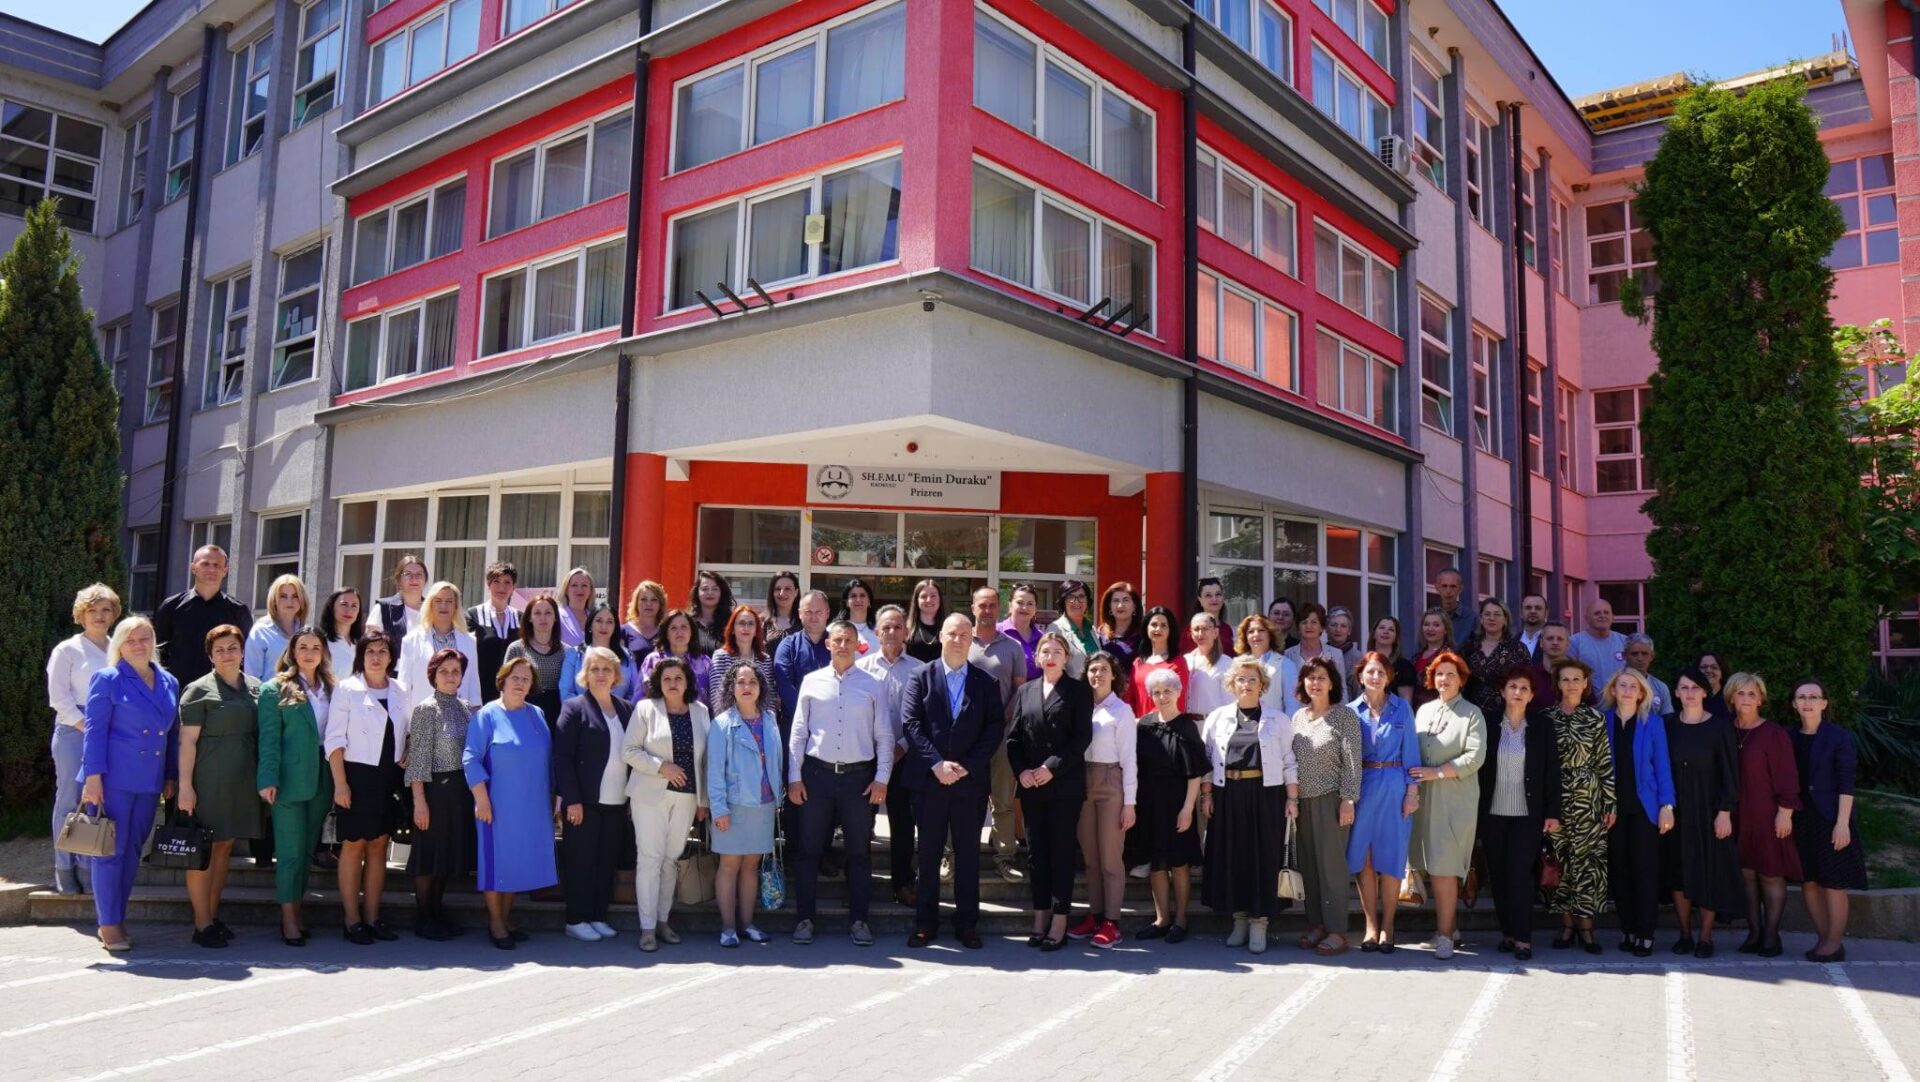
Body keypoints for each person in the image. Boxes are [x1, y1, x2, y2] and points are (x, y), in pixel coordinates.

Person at [900, 613, 1005, 949]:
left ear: (971, 639)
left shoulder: (986, 682)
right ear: (941, 637)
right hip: (929, 782)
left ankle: (967, 923)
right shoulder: (920, 676)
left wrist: (967, 767)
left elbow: (994, 729)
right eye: (952, 634)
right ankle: (925, 923)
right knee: (928, 854)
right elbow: (911, 723)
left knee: (968, 855)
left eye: (964, 634)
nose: (958, 640)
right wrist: (936, 764)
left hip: (969, 783)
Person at [786, 620, 890, 946]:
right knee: (809, 850)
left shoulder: (873, 685)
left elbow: (884, 735)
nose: (842, 645)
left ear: (858, 645)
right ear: (828, 644)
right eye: (837, 640)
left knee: (859, 852)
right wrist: (794, 777)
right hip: (816, 776)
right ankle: (805, 919)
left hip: (859, 780)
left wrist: (882, 779)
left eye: (848, 640)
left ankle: (859, 921)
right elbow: (798, 734)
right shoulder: (811, 682)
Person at [79, 615, 179, 952]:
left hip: (149, 780)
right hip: (112, 780)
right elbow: (94, 731)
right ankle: (108, 924)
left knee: (133, 851)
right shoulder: (108, 678)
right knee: (110, 850)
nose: (138, 645)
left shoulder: (168, 681)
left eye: (144, 638)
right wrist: (93, 778)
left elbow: (172, 734)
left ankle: (116, 916)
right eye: (131, 640)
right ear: (120, 646)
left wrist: (170, 774)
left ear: (154, 642)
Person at [1201, 655, 1298, 954]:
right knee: (1233, 856)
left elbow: (1289, 761)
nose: (1246, 684)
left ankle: (1260, 922)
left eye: (1252, 679)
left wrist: (1292, 798)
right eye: (1241, 679)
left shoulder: (1278, 720)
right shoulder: (1217, 718)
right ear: (1232, 684)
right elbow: (1207, 760)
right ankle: (1239, 919)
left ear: (1262, 685)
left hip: (1265, 795)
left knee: (1262, 857)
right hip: (1227, 794)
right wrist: (1207, 795)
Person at [1006, 632, 1092, 951]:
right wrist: (1021, 772)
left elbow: (1081, 739)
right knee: (1036, 854)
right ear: (1037, 657)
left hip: (1064, 784)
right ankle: (1039, 916)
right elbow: (1013, 739)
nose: (1051, 656)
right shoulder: (1025, 690)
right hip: (1031, 785)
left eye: (1057, 651)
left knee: (1061, 853)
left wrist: (1050, 768)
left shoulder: (1078, 691)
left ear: (1066, 658)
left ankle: (1059, 920)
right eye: (1045, 651)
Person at [175, 623, 259, 947]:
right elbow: (187, 742)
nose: (227, 654)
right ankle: (201, 924)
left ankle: (212, 914)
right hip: (208, 781)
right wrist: (185, 787)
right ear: (210, 655)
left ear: (242, 651)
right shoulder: (198, 690)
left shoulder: (255, 687)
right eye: (219, 650)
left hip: (241, 781)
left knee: (224, 847)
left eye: (232, 648)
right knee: (204, 850)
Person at [466, 656, 558, 950]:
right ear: (502, 680)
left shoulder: (537, 714)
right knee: (496, 863)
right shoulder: (486, 715)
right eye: (515, 677)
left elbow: (548, 759)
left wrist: (554, 798)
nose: (520, 683)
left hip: (532, 805)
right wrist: (481, 799)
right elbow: (471, 758)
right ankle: (495, 922)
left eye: (526, 679)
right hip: (497, 806)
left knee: (516, 861)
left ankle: (506, 918)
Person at [326, 629, 408, 945]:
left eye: (382, 651)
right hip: (356, 777)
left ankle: (373, 918)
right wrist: (340, 784)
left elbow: (407, 730)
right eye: (370, 651)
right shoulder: (347, 689)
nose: (376, 657)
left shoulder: (401, 689)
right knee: (353, 845)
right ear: (361, 656)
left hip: (388, 778)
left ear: (391, 657)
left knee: (378, 846)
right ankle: (352, 920)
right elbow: (334, 740)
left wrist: (408, 750)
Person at [623, 656, 709, 952]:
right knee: (650, 859)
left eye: (678, 678)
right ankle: (647, 928)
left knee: (671, 859)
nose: (673, 683)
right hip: (649, 795)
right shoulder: (645, 709)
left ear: (687, 682)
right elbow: (628, 751)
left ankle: (663, 921)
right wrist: (661, 766)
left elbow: (705, 759)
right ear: (659, 683)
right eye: (667, 679)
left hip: (687, 797)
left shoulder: (700, 712)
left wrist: (704, 801)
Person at [256, 627, 335, 947]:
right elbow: (269, 739)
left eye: (316, 647)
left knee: (306, 851)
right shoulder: (274, 689)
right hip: (287, 781)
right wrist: (267, 778)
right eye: (303, 647)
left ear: (324, 652)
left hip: (323, 778)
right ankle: (288, 918)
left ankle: (297, 909)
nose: (309, 653)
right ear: (292, 651)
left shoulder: (333, 688)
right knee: (289, 851)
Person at [1477, 667, 1562, 961]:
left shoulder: (1542, 726)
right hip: (1493, 813)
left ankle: (1524, 938)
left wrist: (1553, 812)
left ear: (1532, 695)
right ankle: (1508, 934)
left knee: (1520, 874)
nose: (1518, 692)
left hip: (1528, 814)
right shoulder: (1488, 723)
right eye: (1512, 686)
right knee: (1499, 875)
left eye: (1524, 688)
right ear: (1503, 691)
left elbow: (1552, 771)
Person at [553, 646, 635, 944]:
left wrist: (631, 797)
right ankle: (576, 919)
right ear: (585, 675)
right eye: (595, 669)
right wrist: (571, 799)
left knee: (605, 862)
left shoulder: (626, 709)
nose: (601, 674)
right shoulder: (574, 707)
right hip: (584, 802)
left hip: (617, 801)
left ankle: (598, 916)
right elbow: (562, 757)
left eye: (606, 669)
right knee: (581, 862)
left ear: (616, 675)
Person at [1409, 651, 1486, 962]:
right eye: (1439, 673)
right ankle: (1449, 929)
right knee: (1431, 864)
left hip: (1455, 798)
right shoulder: (1424, 711)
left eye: (1451, 674)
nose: (1444, 679)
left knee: (1445, 867)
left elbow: (1474, 757)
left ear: (1461, 679)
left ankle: (1444, 937)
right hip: (1424, 797)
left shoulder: (1472, 713)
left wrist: (1437, 772)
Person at [1661, 668, 1744, 958]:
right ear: (1676, 692)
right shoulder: (1667, 725)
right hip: (1675, 810)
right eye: (1684, 688)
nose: (1690, 693)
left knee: (1710, 871)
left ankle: (1705, 937)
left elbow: (1730, 773)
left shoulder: (1720, 727)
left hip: (1709, 809)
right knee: (1678, 871)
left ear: (1705, 692)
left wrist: (1725, 811)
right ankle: (1685, 935)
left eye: (1695, 688)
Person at [45, 583, 119, 894]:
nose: (99, 616)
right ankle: (65, 868)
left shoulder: (119, 648)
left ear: (114, 614)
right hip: (74, 729)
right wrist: (88, 728)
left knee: (100, 798)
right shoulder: (67, 650)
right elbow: (59, 699)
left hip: (113, 730)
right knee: (70, 800)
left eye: (106, 610)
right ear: (81, 614)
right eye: (93, 610)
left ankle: (90, 867)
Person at [1347, 651, 1420, 954]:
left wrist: (1412, 792)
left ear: (1389, 677)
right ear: (1360, 676)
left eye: (1381, 672)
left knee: (1391, 859)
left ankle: (1388, 926)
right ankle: (1370, 925)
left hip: (1394, 785)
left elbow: (1411, 753)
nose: (1375, 677)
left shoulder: (1402, 708)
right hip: (1362, 786)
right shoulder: (1350, 712)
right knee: (1363, 858)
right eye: (1370, 672)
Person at [707, 663, 784, 947]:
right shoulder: (722, 724)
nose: (747, 686)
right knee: (729, 865)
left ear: (761, 687)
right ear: (732, 687)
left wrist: (778, 797)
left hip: (764, 804)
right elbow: (714, 771)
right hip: (733, 805)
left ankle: (747, 924)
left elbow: (777, 761)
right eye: (740, 681)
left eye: (752, 681)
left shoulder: (770, 719)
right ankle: (728, 928)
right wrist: (719, 809)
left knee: (751, 865)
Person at [1790, 679, 1866, 962]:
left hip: (1831, 819)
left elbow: (1847, 783)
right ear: (1794, 704)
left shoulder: (1838, 737)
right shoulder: (1789, 736)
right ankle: (1824, 939)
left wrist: (1842, 823)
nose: (1807, 702)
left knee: (1833, 882)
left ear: (1824, 703)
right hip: (1801, 820)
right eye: (1802, 697)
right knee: (1809, 882)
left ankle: (1834, 943)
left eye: (1813, 696)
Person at [403, 648, 477, 940]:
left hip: (459, 792)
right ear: (433, 675)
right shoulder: (426, 709)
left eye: (455, 671)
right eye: (444, 671)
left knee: (445, 857)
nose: (450, 676)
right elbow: (418, 760)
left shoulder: (465, 708)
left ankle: (437, 913)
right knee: (428, 857)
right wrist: (419, 801)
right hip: (433, 791)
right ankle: (423, 918)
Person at [1291, 657, 1362, 956]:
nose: (1315, 683)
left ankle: (1337, 930)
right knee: (1309, 866)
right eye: (1310, 677)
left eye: (1321, 677)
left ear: (1332, 682)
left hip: (1332, 800)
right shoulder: (1298, 717)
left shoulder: (1344, 716)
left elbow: (1353, 761)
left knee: (1332, 867)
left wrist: (1348, 799)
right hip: (1302, 802)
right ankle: (1317, 924)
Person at [1542, 658, 1613, 954]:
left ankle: (1587, 928)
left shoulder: (1596, 718)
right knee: (1561, 862)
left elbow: (1604, 762)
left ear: (1585, 684)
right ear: (1557, 684)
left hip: (1589, 800)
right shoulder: (1546, 718)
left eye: (1576, 679)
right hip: (1556, 799)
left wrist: (1609, 803)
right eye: (1565, 679)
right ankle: (1567, 926)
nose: (1571, 684)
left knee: (1588, 864)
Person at [1728, 672, 1801, 958]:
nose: (1746, 699)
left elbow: (1787, 775)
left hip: (1767, 814)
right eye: (1740, 693)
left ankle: (1771, 936)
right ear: (1731, 697)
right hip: (1736, 814)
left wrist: (1785, 812)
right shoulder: (1725, 729)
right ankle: (1754, 932)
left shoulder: (1774, 733)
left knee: (1771, 874)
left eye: (1752, 694)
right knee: (1746, 875)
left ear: (1761, 699)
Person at [1604, 668, 1677, 957]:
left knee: (1645, 872)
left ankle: (1645, 933)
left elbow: (1663, 767)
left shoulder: (1653, 723)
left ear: (1642, 693)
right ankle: (1629, 929)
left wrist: (1667, 806)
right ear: (1613, 690)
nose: (1627, 691)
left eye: (1633, 686)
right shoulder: (1603, 721)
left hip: (1645, 810)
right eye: (1622, 685)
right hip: (1613, 811)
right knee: (1620, 871)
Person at [858, 604, 927, 907]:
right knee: (860, 823)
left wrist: (902, 746)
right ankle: (858, 884)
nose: (891, 632)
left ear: (906, 632)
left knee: (902, 824)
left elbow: (921, 716)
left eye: (897, 626)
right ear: (876, 632)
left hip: (903, 757)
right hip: (867, 757)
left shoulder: (919, 670)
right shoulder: (861, 668)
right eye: (886, 627)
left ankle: (902, 883)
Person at [1133, 668, 1207, 942]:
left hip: (1177, 803)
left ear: (1178, 692)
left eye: (1167, 691)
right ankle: (1161, 919)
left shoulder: (1187, 727)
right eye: (1156, 692)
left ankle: (1181, 920)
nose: (1162, 696)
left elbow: (1195, 774)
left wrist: (1187, 809)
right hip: (1149, 804)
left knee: (1179, 863)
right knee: (1156, 863)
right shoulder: (1144, 725)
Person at [1071, 652, 1137, 949]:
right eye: (1093, 670)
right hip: (1083, 781)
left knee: (1110, 857)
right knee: (1091, 857)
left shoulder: (1121, 711)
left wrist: (1129, 803)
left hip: (1111, 781)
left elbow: (1130, 760)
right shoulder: (1081, 706)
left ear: (1114, 675)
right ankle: (1095, 916)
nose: (1097, 674)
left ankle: (1112, 922)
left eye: (1103, 669)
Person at [967, 586, 1028, 882]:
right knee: (964, 798)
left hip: (1002, 733)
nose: (987, 610)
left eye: (992, 605)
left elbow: (1020, 687)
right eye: (982, 605)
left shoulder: (1012, 647)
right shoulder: (962, 641)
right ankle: (955, 855)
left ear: (999, 608)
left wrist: (1002, 716)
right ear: (973, 608)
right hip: (967, 737)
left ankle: (1004, 857)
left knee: (1002, 800)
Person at [152, 544, 250, 689]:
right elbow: (157, 651)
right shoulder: (171, 607)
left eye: (217, 565)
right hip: (178, 691)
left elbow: (246, 656)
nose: (211, 569)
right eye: (205, 564)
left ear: (225, 571)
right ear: (193, 568)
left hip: (222, 693)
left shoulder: (238, 611)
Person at [397, 581, 479, 712]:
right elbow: (403, 686)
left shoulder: (470, 642)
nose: (443, 606)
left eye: (449, 601)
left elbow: (474, 685)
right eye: (438, 601)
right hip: (423, 717)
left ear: (456, 606)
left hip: (460, 717)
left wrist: (476, 716)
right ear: (430, 604)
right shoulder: (411, 640)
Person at [1463, 598, 1532, 723]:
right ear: (1481, 619)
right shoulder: (1469, 648)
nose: (1491, 618)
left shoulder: (1518, 649)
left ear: (1505, 619)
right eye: (1487, 614)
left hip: (1507, 716)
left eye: (1497, 614)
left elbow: (1528, 683)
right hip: (1472, 716)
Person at [560, 603, 642, 704]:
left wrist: (619, 711)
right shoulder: (574, 655)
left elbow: (634, 692)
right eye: (599, 621)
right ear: (590, 625)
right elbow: (567, 692)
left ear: (615, 627)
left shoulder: (628, 656)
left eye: (609, 622)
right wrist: (584, 711)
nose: (604, 626)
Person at [708, 606, 781, 719]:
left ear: (756, 630)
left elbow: (769, 698)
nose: (746, 628)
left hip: (760, 723)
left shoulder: (765, 659)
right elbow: (717, 698)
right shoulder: (721, 657)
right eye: (741, 623)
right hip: (729, 723)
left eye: (751, 624)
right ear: (733, 629)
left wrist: (767, 722)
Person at [504, 594, 568, 723]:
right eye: (537, 613)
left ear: (555, 617)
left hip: (557, 716)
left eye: (548, 613)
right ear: (529, 618)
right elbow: (504, 685)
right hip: (523, 713)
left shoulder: (566, 651)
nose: (543, 618)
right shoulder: (516, 648)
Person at [467, 561, 520, 703]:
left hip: (513, 693)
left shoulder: (520, 618)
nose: (502, 587)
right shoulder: (473, 615)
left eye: (507, 582)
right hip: (481, 693)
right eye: (496, 581)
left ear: (513, 587)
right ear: (488, 584)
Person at [638, 609, 714, 707]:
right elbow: (640, 696)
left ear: (692, 632)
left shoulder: (704, 661)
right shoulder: (653, 660)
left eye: (684, 627)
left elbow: (714, 697)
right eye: (673, 628)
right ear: (666, 634)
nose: (679, 632)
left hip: (699, 715)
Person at [1234, 613, 1301, 718]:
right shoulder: (1236, 664)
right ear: (1245, 637)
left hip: (1274, 725)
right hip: (1243, 724)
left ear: (1270, 634)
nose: (1256, 635)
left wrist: (1285, 726)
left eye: (1261, 630)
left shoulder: (1286, 665)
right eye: (1251, 631)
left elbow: (1292, 704)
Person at [246, 574, 309, 681]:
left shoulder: (307, 633)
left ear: (302, 599)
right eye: (283, 596)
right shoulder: (260, 632)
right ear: (274, 600)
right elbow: (251, 678)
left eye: (295, 596)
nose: (289, 602)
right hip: (269, 691)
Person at [1131, 606, 1189, 717]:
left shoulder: (1178, 662)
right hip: (1137, 725)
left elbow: (1179, 700)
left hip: (1166, 724)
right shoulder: (1137, 663)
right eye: (1154, 625)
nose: (1158, 629)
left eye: (1163, 625)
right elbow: (1131, 698)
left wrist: (1150, 722)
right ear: (1146, 628)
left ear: (1170, 630)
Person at [1568, 600, 1628, 702]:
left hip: (1621, 704)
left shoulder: (1625, 642)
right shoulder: (1574, 643)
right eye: (1597, 613)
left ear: (1613, 617)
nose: (1602, 616)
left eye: (1606, 612)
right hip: (1588, 704)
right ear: (1586, 618)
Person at [1183, 612, 1232, 721]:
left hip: (1213, 723)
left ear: (1215, 632)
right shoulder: (1186, 660)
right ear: (1191, 634)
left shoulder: (1226, 663)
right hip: (1187, 724)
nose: (1200, 633)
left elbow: (1230, 704)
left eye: (1205, 628)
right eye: (1196, 629)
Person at [368, 554, 429, 636]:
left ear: (425, 580)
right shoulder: (383, 609)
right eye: (408, 574)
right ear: (399, 580)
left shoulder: (433, 609)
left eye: (419, 574)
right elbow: (371, 642)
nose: (414, 579)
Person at [1048, 579, 1098, 677]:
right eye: (1071, 597)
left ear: (1087, 600)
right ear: (1063, 601)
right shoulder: (1055, 630)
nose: (1077, 601)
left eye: (1081, 596)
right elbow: (1053, 671)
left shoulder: (1092, 630)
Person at [319, 587, 367, 686]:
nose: (349, 610)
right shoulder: (321, 642)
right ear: (332, 607)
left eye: (354, 606)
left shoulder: (363, 643)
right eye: (344, 604)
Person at [1411, 608, 1455, 710]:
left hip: (1439, 712)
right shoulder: (1416, 657)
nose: (1430, 629)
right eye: (1426, 624)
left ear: (1445, 630)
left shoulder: (1449, 657)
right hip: (1415, 713)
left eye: (1436, 625)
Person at [1365, 616, 1417, 701]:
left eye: (1391, 630)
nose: (1386, 632)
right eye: (1382, 628)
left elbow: (1406, 703)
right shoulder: (1364, 663)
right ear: (1373, 634)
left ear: (1396, 638)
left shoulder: (1404, 667)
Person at [998, 582, 1044, 678]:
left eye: (1030, 604)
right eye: (1020, 603)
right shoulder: (996, 632)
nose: (1025, 608)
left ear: (1035, 609)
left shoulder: (1042, 638)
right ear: (1010, 605)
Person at [1096, 582, 1146, 668]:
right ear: (1109, 606)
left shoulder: (1144, 636)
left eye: (1126, 600)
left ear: (1134, 606)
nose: (1120, 605)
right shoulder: (1100, 634)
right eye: (1116, 601)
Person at [1283, 602, 1343, 670]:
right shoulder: (1287, 655)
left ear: (1322, 627)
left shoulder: (1336, 655)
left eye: (1314, 622)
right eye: (1304, 622)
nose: (1308, 626)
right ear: (1298, 628)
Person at [1624, 634, 1672, 716]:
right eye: (1634, 654)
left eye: (1644, 654)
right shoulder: (1614, 686)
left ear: (1652, 656)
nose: (1640, 658)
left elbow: (1668, 719)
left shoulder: (1661, 688)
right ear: (1624, 655)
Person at [689, 570, 736, 653]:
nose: (710, 593)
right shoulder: (688, 622)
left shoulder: (732, 622)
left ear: (722, 592)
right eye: (705, 589)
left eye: (715, 589)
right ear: (697, 592)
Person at [620, 579, 668, 660]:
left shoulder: (666, 631)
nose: (648, 604)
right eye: (644, 599)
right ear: (636, 603)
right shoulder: (623, 631)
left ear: (660, 604)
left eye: (654, 600)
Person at [1430, 567, 1477, 648]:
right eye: (1444, 586)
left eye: (1453, 586)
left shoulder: (1471, 619)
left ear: (1460, 589)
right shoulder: (1430, 617)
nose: (1448, 591)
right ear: (1437, 588)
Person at [905, 579, 948, 664]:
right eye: (924, 596)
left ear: (940, 599)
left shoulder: (948, 629)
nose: (929, 600)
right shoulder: (906, 629)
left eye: (933, 596)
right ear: (917, 600)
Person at [835, 578, 883, 653]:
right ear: (847, 602)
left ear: (869, 601)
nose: (858, 600)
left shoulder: (880, 629)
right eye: (853, 596)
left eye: (862, 595)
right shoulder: (834, 629)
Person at [557, 567, 596, 648]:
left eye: (584, 585)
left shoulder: (596, 618)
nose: (580, 589)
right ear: (566, 590)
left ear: (590, 591)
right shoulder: (557, 616)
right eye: (574, 585)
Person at [762, 571, 802, 649]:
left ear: (796, 592)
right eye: (778, 589)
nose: (782, 593)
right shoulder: (762, 622)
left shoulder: (804, 621)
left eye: (787, 589)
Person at [1325, 606, 1364, 675]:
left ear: (1349, 631)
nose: (1338, 630)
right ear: (1326, 629)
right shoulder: (1320, 653)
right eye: (1334, 625)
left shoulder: (1357, 657)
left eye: (1343, 626)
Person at [1517, 594, 1550, 658]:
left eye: (1538, 608)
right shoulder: (1511, 642)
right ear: (1521, 612)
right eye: (1528, 608)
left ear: (1546, 613)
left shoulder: (1553, 641)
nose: (1533, 611)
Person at [1698, 653, 1730, 718]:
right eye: (1704, 667)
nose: (1708, 670)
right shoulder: (1691, 695)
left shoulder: (1730, 695)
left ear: (1722, 672)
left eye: (1714, 667)